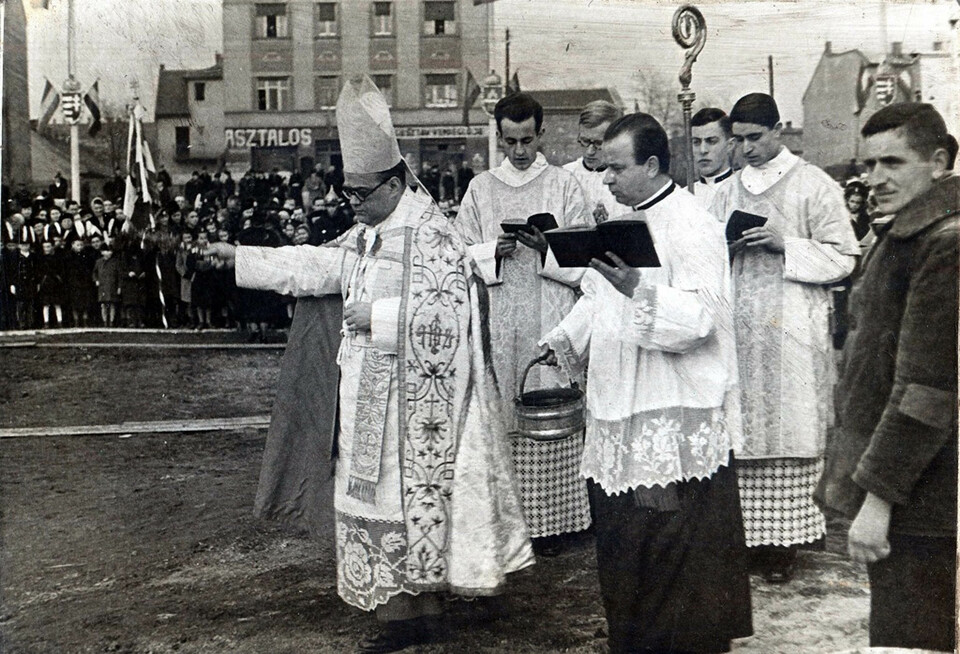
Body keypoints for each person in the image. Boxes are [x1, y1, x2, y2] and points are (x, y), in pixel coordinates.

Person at [207, 74, 533, 653]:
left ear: (393, 183)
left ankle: (416, 613)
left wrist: (378, 320)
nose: (352, 206)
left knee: (409, 501)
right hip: (364, 398)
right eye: (349, 196)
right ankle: (403, 611)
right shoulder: (367, 231)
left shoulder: (431, 235)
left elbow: (453, 315)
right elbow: (315, 266)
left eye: (360, 195)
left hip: (416, 408)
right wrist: (241, 258)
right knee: (373, 501)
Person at [539, 111, 752, 654]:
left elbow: (703, 320)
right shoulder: (622, 219)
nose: (605, 179)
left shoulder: (692, 224)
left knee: (671, 557)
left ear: (652, 164)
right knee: (625, 551)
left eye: (615, 167)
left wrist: (638, 287)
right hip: (618, 408)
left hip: (669, 414)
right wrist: (561, 339)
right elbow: (597, 296)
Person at [815, 103, 957, 652]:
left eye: (893, 163)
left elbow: (927, 395)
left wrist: (877, 501)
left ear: (938, 162)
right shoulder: (905, 234)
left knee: (913, 639)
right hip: (908, 487)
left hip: (925, 497)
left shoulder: (943, 242)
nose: (874, 180)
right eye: (869, 164)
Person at [709, 93, 859, 582]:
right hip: (738, 330)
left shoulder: (813, 185)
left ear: (779, 130)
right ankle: (747, 539)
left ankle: (787, 542)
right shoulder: (725, 192)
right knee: (743, 430)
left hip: (791, 329)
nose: (746, 149)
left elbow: (844, 257)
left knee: (789, 430)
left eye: (756, 138)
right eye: (739, 140)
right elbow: (701, 255)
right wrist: (723, 247)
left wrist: (785, 245)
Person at [455, 91, 592, 556]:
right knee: (506, 407)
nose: (519, 151)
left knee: (552, 400)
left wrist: (546, 247)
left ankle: (561, 521)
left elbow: (584, 260)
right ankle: (510, 521)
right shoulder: (480, 188)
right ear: (498, 136)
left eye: (527, 140)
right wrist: (491, 251)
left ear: (541, 134)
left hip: (549, 307)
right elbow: (459, 253)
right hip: (500, 314)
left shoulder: (564, 186)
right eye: (510, 141)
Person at [562, 100, 632, 223]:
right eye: (584, 141)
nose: (590, 151)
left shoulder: (629, 178)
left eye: (598, 143)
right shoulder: (565, 175)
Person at [691, 107, 735, 208]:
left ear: (730, 145)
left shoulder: (742, 191)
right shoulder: (684, 195)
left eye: (711, 141)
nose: (703, 150)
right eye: (696, 142)